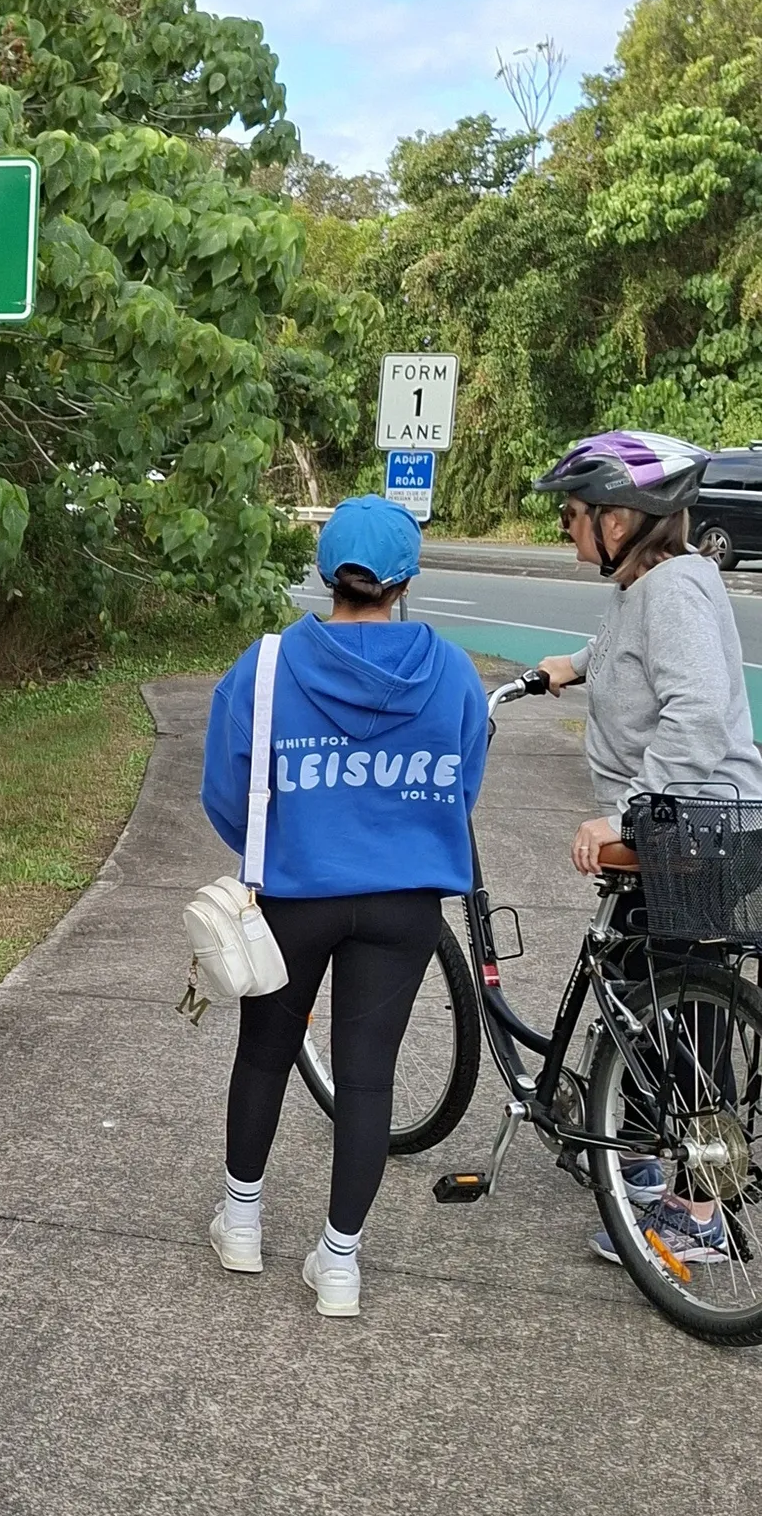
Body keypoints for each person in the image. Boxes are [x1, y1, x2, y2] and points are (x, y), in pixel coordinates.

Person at [201, 496, 488, 1317]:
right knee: (368, 1082)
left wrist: (287, 843)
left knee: (263, 1054)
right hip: (404, 906)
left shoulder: (263, 668)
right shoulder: (455, 672)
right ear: (405, 580)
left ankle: (244, 1223)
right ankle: (338, 1264)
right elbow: (461, 785)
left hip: (296, 896)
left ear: (328, 571)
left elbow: (228, 793)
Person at [530, 429, 762, 1264]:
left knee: (689, 1026)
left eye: (574, 514)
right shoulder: (646, 589)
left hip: (692, 835)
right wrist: (576, 664)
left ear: (622, 521)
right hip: (682, 831)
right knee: (640, 993)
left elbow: (695, 716)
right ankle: (633, 1152)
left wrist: (623, 815)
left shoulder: (673, 594)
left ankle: (700, 1217)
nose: (567, 528)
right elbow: (630, 648)